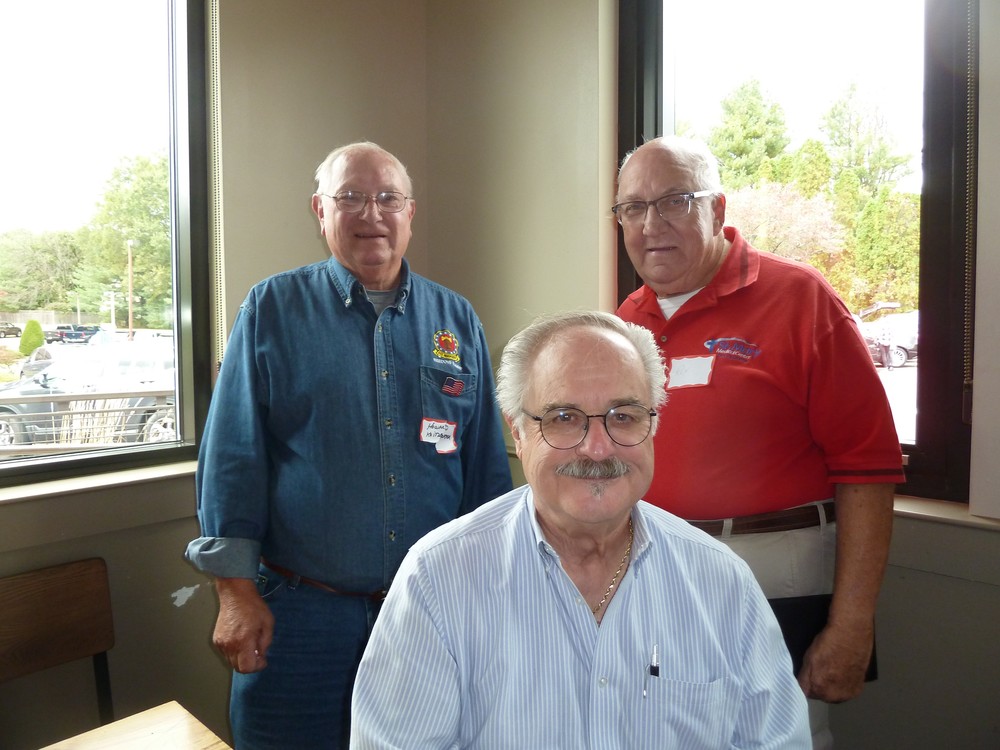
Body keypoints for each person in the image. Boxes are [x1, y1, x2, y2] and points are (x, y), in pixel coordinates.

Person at [351, 311, 811, 749]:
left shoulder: (723, 583)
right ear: (518, 433)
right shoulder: (437, 579)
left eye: (624, 416)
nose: (597, 448)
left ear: (653, 424)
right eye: (563, 418)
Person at [185, 141, 512, 749]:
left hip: (428, 613)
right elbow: (233, 458)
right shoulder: (272, 309)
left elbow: (485, 471)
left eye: (388, 198)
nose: (372, 214)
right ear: (320, 210)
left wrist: (492, 593)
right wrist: (234, 593)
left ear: (410, 213)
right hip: (300, 617)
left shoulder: (456, 318)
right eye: (351, 198)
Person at [614, 135, 905, 748]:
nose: (650, 225)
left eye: (673, 201)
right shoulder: (626, 322)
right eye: (633, 208)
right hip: (657, 569)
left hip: (775, 567)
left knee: (778, 737)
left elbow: (869, 470)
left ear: (717, 209)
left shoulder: (802, 299)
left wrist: (852, 626)